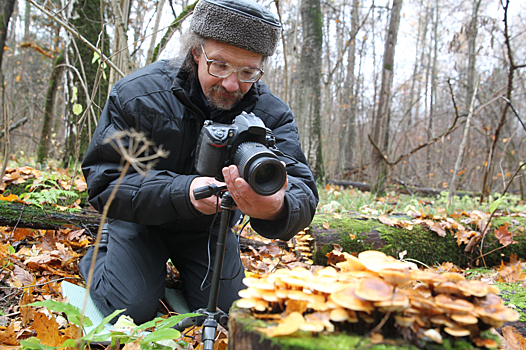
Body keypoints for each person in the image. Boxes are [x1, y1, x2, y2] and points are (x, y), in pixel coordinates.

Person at [79, 0, 318, 324]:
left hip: (209, 229)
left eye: (247, 72)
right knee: (130, 309)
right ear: (196, 53)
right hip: (141, 220)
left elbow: (302, 189)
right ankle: (103, 255)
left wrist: (277, 209)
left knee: (230, 314)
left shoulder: (271, 116)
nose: (231, 84)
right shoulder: (138, 95)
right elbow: (104, 181)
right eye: (219, 65)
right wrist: (183, 191)